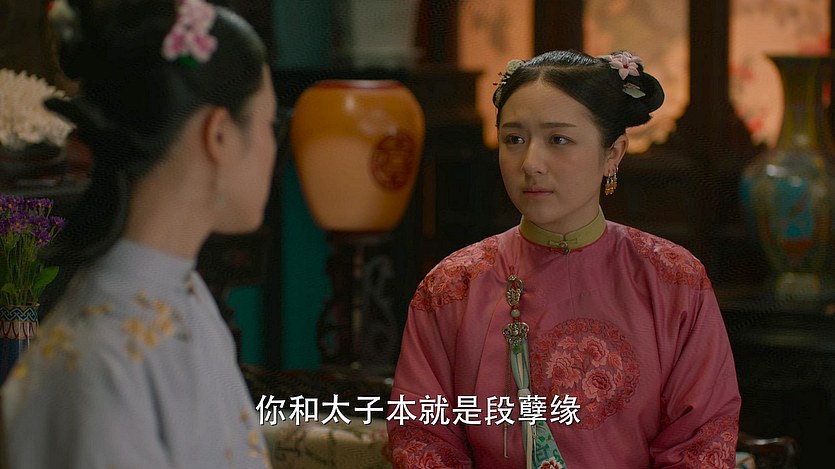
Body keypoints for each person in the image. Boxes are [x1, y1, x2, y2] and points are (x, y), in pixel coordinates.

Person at [387, 49, 741, 468]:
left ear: (613, 153)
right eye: (514, 140)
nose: (531, 164)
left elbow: (700, 440)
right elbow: (422, 436)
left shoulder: (672, 279)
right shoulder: (453, 286)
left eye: (558, 140)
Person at [1, 0, 278, 467]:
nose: (273, 145)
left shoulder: (186, 296)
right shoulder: (96, 360)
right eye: (269, 123)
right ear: (219, 135)